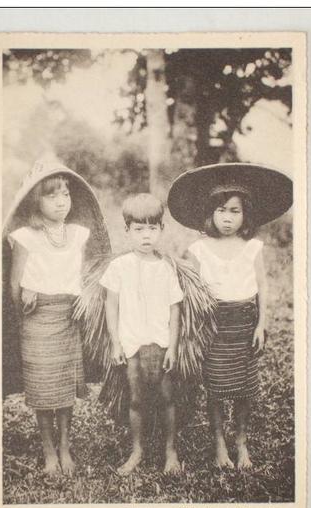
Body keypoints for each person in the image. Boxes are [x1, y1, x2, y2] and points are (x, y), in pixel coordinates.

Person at [167, 163, 293, 470]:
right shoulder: (199, 249)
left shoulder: (252, 248)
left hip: (245, 324)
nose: (227, 218)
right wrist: (193, 331)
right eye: (221, 210)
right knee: (216, 388)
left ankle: (241, 443)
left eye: (235, 211)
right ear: (210, 213)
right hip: (213, 326)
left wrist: (261, 324)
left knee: (244, 389)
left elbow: (262, 286)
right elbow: (191, 295)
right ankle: (220, 444)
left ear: (245, 214)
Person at [6, 161, 109, 476]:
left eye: (65, 194)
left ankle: (65, 447)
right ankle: (48, 451)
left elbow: (89, 276)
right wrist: (26, 296)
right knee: (42, 388)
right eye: (52, 196)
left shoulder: (78, 234)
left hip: (69, 317)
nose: (62, 201)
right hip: (36, 319)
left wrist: (84, 300)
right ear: (37, 201)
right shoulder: (26, 237)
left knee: (64, 388)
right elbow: (14, 283)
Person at [99, 193, 184, 475]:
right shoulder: (118, 267)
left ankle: (170, 451)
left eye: (152, 228)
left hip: (159, 343)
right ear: (127, 231)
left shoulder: (166, 268)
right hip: (131, 343)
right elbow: (111, 305)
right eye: (139, 229)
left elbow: (175, 310)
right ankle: (137, 449)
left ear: (161, 229)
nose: (146, 236)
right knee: (136, 398)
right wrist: (115, 342)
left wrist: (172, 347)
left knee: (166, 396)